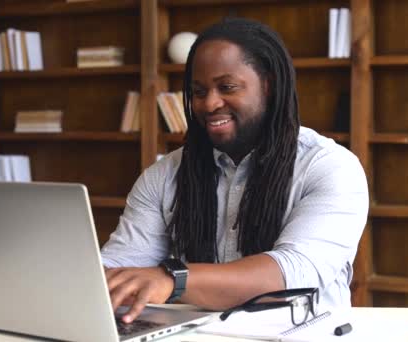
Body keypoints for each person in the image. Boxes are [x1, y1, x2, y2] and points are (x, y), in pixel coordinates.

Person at [101, 17, 368, 324]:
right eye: (198, 92)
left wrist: (173, 279)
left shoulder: (330, 167)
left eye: (226, 87)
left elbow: (294, 273)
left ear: (269, 85)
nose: (209, 103)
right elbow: (120, 265)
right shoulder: (163, 176)